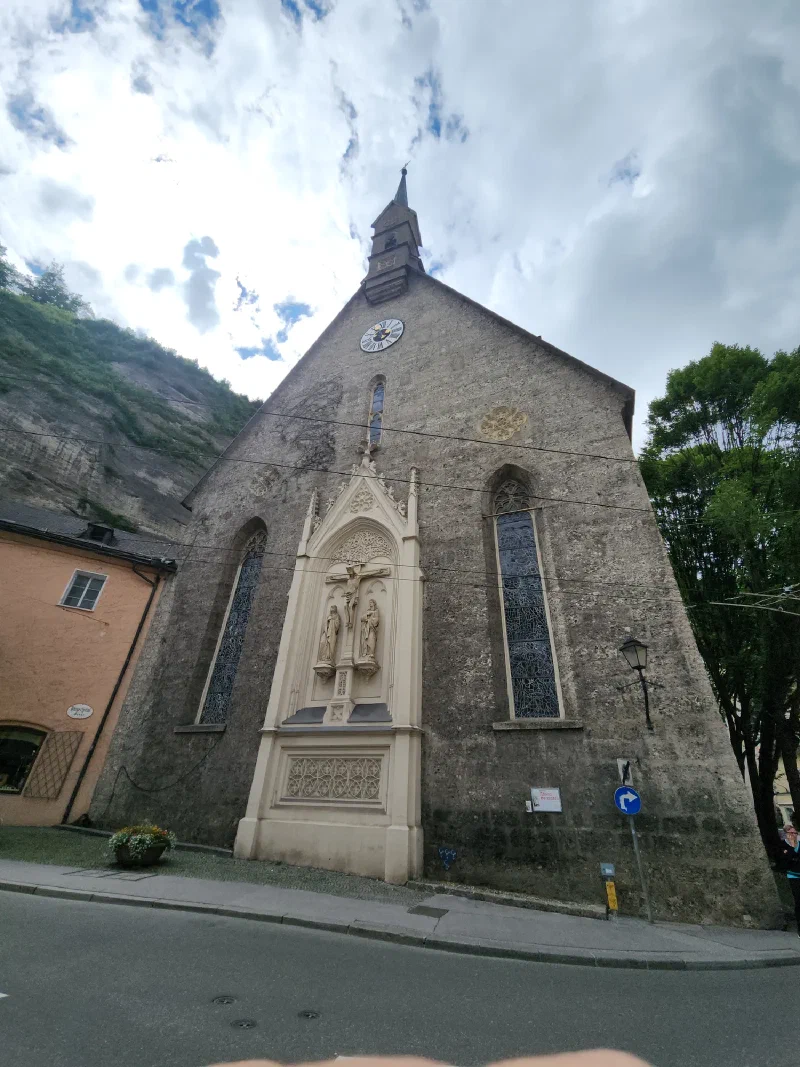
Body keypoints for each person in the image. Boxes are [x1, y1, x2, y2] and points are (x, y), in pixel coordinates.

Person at [776, 822, 800, 936]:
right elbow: (786, 860)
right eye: (791, 833)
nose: (794, 835)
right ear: (786, 834)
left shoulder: (799, 844)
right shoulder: (783, 845)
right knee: (798, 901)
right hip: (793, 875)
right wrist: (791, 850)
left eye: (795, 833)